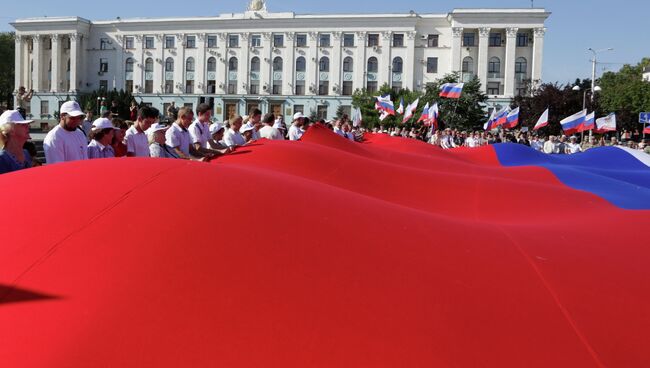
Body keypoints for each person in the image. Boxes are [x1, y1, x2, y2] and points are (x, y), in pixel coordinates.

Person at [0, 110, 33, 174]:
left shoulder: (26, 153)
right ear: (10, 130)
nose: (27, 126)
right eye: (22, 125)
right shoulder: (2, 158)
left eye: (27, 124)